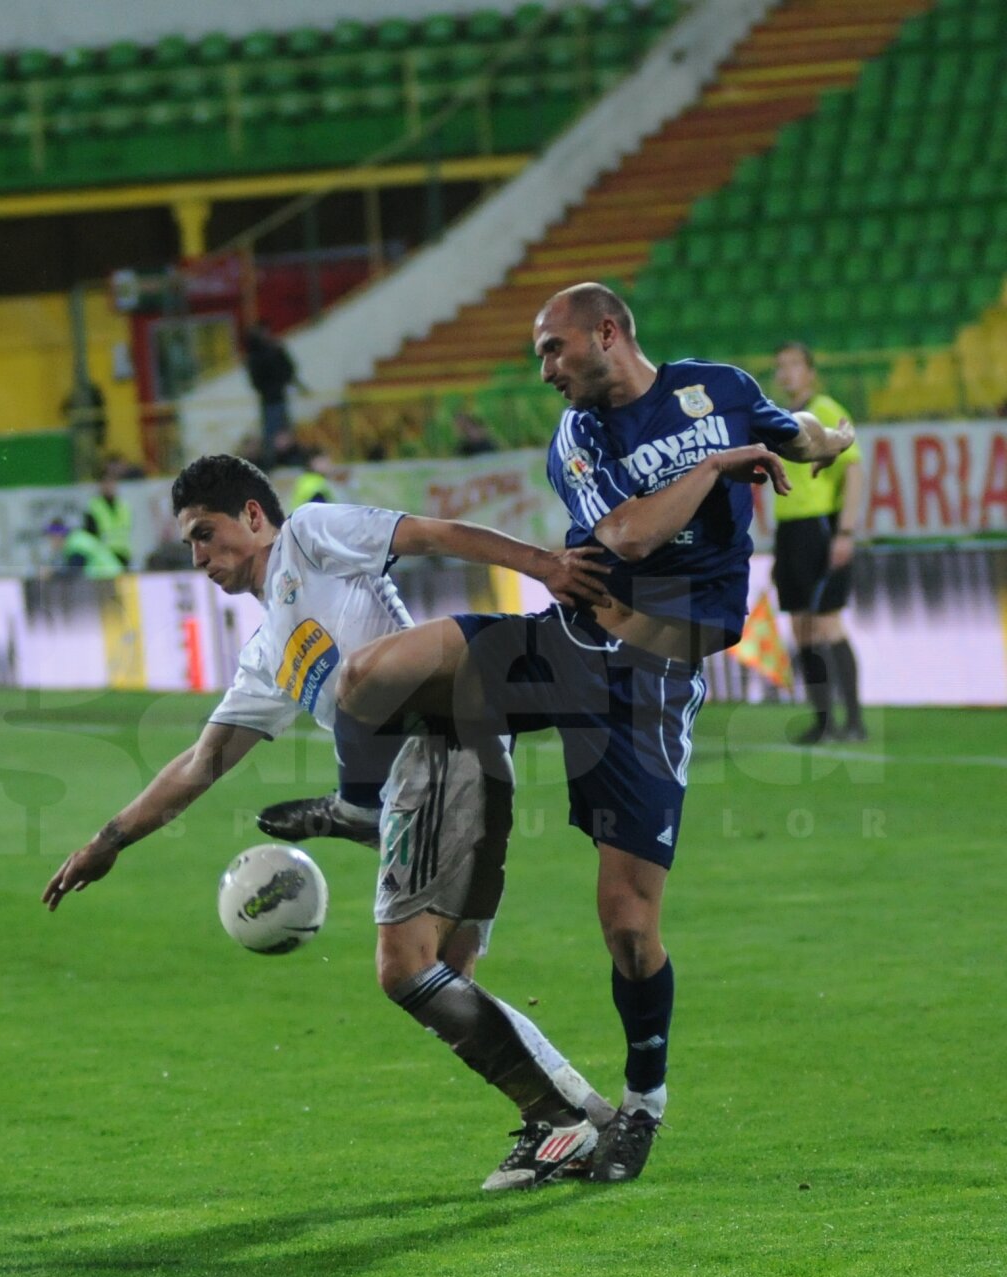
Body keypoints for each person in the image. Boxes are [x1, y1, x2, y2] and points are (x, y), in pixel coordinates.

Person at [337, 281, 854, 1187]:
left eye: (552, 350)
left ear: (606, 333)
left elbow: (797, 433)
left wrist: (828, 438)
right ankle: (387, 826)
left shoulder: (717, 390)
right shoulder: (580, 434)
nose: (545, 370)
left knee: (627, 923)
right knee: (373, 675)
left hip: (653, 684)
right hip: (563, 645)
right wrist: (717, 468)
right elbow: (628, 534)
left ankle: (641, 1108)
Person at [42, 454, 616, 1188]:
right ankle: (579, 1118)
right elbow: (202, 761)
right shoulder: (266, 656)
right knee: (445, 975)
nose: (198, 558)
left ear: (253, 515)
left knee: (407, 967)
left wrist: (544, 566)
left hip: (435, 740)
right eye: (189, 543)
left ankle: (562, 1122)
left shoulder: (308, 537)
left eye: (206, 534)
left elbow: (431, 533)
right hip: (452, 755)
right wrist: (108, 841)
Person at [771, 341, 866, 742]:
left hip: (818, 528)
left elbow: (854, 469)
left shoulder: (825, 409)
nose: (787, 373)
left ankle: (855, 720)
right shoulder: (779, 418)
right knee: (802, 627)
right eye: (782, 366)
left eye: (795, 365)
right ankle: (823, 722)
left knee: (828, 622)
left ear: (810, 371)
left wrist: (845, 530)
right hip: (788, 530)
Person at [244, 323, 306, 465]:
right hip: (271, 398)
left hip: (274, 398)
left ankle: (283, 460)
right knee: (275, 432)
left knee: (280, 432)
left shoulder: (262, 353)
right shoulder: (263, 354)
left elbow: (287, 370)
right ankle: (275, 461)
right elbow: (286, 370)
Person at [86, 461, 134, 568]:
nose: (109, 486)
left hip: (124, 556)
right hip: (104, 559)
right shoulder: (94, 508)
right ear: (100, 485)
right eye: (106, 482)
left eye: (112, 482)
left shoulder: (124, 506)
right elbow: (90, 537)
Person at [44, 517, 123, 579]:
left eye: (50, 538)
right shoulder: (77, 538)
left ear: (57, 536)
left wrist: (53, 573)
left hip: (106, 578)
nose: (50, 543)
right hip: (111, 576)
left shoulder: (75, 545)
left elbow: (73, 572)